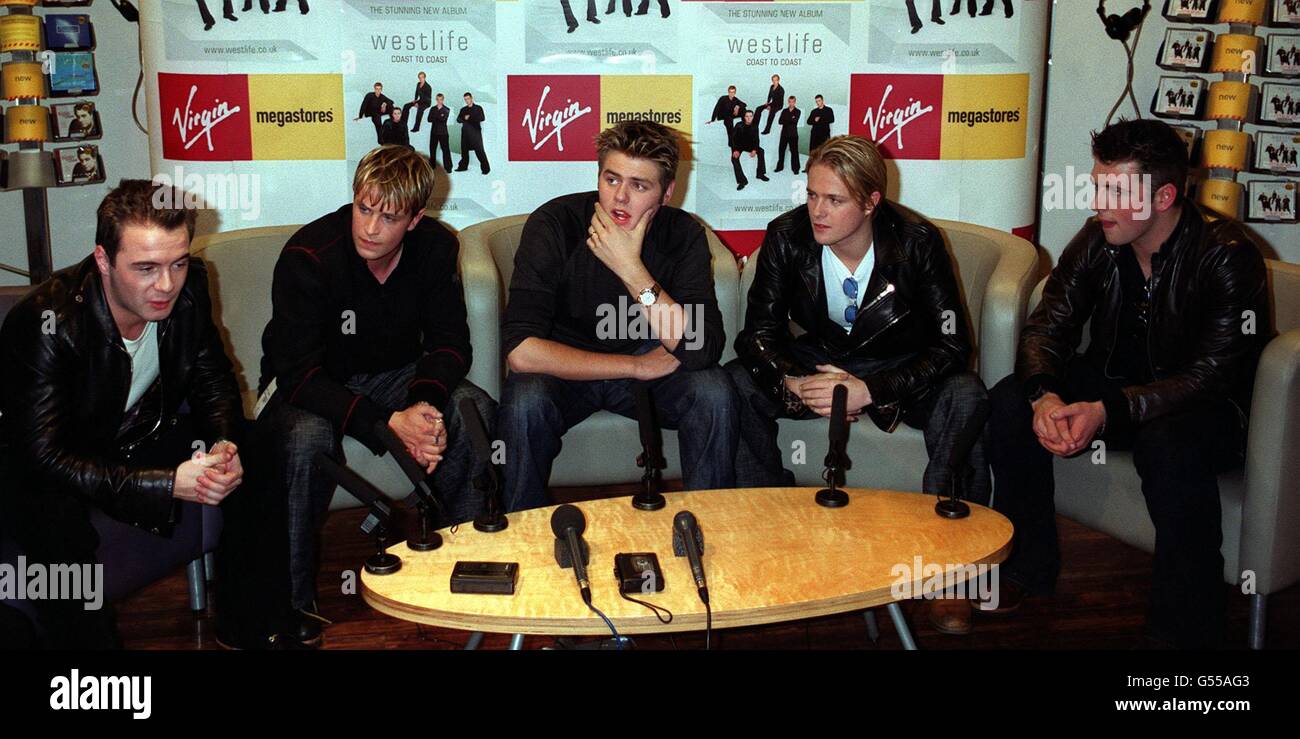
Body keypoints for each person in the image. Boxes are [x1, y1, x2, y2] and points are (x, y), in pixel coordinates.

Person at [984, 119, 1270, 648]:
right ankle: (1028, 569)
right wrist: (1045, 393)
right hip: (1117, 390)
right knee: (1007, 402)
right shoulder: (1099, 239)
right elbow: (1049, 325)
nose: (1099, 202)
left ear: (1164, 196)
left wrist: (1106, 410)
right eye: (1098, 185)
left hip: (1207, 410)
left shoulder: (1227, 254)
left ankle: (1185, 639)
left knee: (1169, 446)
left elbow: (1213, 376)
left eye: (1116, 190)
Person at [727, 135, 989, 635]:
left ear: (872, 202)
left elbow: (953, 346)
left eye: (834, 200)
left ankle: (949, 565)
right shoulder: (786, 236)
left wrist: (873, 389)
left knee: (967, 394)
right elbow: (756, 336)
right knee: (734, 384)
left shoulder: (916, 242)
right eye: (811, 195)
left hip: (901, 366)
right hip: (822, 363)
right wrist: (795, 382)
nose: (817, 212)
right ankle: (768, 525)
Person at [258, 145, 496, 648]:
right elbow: (297, 373)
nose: (370, 227)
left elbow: (451, 342)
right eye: (364, 209)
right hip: (309, 382)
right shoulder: (308, 255)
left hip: (394, 374)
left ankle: (457, 559)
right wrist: (388, 421)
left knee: (473, 410)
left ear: (413, 219)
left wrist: (424, 404)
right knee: (306, 439)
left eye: (388, 217)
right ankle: (291, 603)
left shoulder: (435, 246)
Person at [0, 180, 248, 648]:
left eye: (177, 262)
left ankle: (250, 621)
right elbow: (42, 457)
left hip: (126, 436)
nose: (167, 284)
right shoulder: (47, 321)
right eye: (145, 268)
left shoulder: (190, 285)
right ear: (102, 261)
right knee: (57, 524)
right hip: (43, 468)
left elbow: (211, 376)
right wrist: (164, 483)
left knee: (266, 446)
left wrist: (223, 443)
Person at [497, 120, 737, 513]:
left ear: (667, 193)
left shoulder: (682, 234)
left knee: (714, 392)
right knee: (525, 401)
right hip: (568, 367)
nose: (620, 198)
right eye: (611, 180)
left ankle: (708, 528)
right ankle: (523, 540)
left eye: (639, 186)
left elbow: (701, 348)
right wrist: (633, 366)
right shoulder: (556, 224)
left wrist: (631, 270)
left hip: (651, 364)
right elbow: (521, 352)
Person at [731, 109, 768, 190]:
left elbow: (757, 139)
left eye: (750, 116)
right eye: (747, 116)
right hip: (739, 146)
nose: (749, 118)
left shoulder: (755, 126)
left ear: (753, 117)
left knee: (761, 151)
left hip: (750, 146)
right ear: (744, 117)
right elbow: (733, 139)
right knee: (734, 159)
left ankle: (760, 174)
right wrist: (735, 150)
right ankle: (742, 181)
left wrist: (754, 149)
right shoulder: (738, 125)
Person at [455, 92, 490, 175]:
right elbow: (458, 120)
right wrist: (464, 117)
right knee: (464, 151)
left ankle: (486, 169)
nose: (467, 101)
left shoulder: (478, 108)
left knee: (479, 151)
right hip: (465, 133)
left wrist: (470, 117)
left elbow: (482, 118)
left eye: (468, 99)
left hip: (475, 133)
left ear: (472, 98)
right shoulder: (463, 110)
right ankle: (463, 167)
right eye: (465, 99)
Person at [775, 96, 802, 175]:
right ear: (788, 102)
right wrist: (790, 119)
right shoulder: (784, 111)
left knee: (794, 152)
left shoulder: (798, 111)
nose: (791, 103)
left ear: (795, 102)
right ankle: (779, 167)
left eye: (793, 101)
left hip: (793, 135)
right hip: (784, 134)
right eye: (790, 101)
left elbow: (795, 121)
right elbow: (780, 121)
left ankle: (796, 168)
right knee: (781, 151)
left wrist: (786, 120)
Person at [427, 93, 453, 171]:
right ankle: (432, 166)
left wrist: (435, 117)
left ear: (443, 100)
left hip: (443, 133)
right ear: (436, 100)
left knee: (446, 150)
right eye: (438, 99)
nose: (439, 101)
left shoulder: (447, 109)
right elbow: (429, 119)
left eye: (441, 99)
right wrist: (439, 116)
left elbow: (443, 120)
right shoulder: (432, 108)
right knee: (432, 149)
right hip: (434, 132)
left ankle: (448, 167)